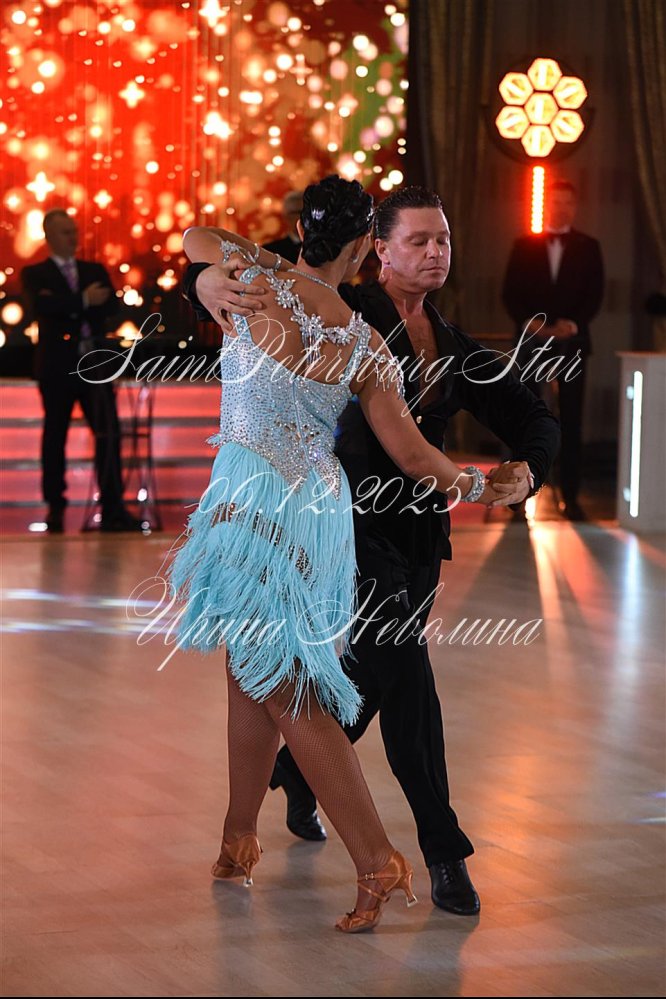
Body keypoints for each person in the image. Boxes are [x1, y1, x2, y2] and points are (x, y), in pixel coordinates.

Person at [181, 184, 561, 919]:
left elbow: (201, 234)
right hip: (318, 507)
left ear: (300, 229)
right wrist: (479, 485)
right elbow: (416, 456)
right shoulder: (360, 337)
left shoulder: (254, 282)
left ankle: (378, 860)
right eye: (420, 240)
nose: (435, 252)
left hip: (260, 503)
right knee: (251, 673)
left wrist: (209, 272)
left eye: (441, 240)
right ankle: (238, 837)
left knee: (285, 681)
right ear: (368, 248)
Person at [21, 209, 143, 533]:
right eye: (65, 232)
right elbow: (40, 307)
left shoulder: (93, 269)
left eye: (74, 231)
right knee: (55, 435)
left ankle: (113, 507)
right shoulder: (35, 273)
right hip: (57, 368)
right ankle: (55, 507)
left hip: (94, 366)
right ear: (49, 236)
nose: (73, 238)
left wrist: (69, 303)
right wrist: (83, 300)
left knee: (108, 433)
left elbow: (111, 305)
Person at [502, 180, 604, 521]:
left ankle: (571, 498)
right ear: (548, 204)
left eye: (567, 202)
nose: (561, 208)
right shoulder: (523, 245)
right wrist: (533, 325)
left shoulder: (589, 246)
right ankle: (519, 498)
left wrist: (571, 324)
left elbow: (595, 294)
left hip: (572, 343)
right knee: (526, 416)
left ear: (574, 207)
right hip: (532, 341)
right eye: (556, 201)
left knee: (572, 420)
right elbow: (510, 293)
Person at [262, 190, 304, 263]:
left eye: (307, 212)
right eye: (298, 212)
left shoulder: (322, 247)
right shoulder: (270, 251)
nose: (304, 216)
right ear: (286, 217)